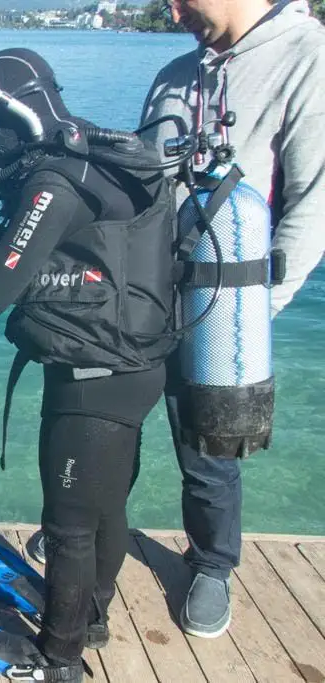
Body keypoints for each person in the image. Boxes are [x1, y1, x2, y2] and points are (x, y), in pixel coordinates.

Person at [0, 48, 178, 678]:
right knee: (105, 510)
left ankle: (59, 657)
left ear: (8, 117)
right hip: (133, 365)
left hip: (93, 382)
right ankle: (93, 620)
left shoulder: (52, 183)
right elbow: (33, 260)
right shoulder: (81, 159)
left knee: (69, 529)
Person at [134, 0, 325, 639]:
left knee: (207, 450)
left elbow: (311, 203)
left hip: (225, 307)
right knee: (110, 416)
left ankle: (213, 562)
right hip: (144, 292)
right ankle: (90, 526)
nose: (170, 8)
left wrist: (253, 310)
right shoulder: (171, 74)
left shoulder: (307, 55)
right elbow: (140, 178)